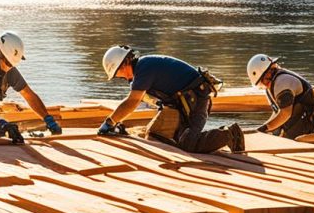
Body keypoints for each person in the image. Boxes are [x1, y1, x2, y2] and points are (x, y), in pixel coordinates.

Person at [99, 46, 244, 154]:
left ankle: (230, 134)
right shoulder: (140, 72)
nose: (121, 77)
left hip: (196, 102)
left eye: (118, 73)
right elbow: (137, 98)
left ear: (125, 63)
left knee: (189, 145)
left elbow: (132, 102)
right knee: (159, 136)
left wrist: (110, 122)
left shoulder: (144, 68)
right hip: (182, 105)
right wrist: (118, 124)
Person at [246, 54, 314, 138]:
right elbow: (277, 113)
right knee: (275, 133)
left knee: (278, 134)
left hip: (307, 123)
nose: (262, 85)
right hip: (298, 121)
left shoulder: (282, 82)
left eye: (261, 82)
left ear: (267, 74)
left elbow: (285, 113)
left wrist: (265, 128)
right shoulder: (273, 84)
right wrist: (261, 129)